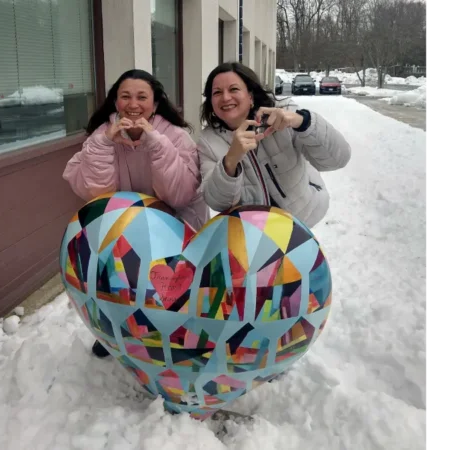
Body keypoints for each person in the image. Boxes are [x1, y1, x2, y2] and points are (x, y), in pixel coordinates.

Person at [63, 69, 209, 358]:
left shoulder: (176, 137)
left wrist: (155, 142)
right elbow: (95, 194)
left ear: (154, 105)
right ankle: (116, 333)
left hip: (174, 227)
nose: (133, 104)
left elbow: (179, 194)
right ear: (115, 102)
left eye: (142, 97)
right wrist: (105, 142)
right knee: (119, 284)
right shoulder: (100, 137)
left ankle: (177, 335)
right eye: (125, 96)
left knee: (167, 291)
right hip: (123, 231)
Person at [196, 62, 351, 228]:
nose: (226, 97)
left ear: (250, 96)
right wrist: (231, 160)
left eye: (234, 89)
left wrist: (302, 121)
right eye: (217, 92)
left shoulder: (283, 114)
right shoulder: (208, 142)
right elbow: (217, 202)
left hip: (302, 222)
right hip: (254, 232)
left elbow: (338, 159)